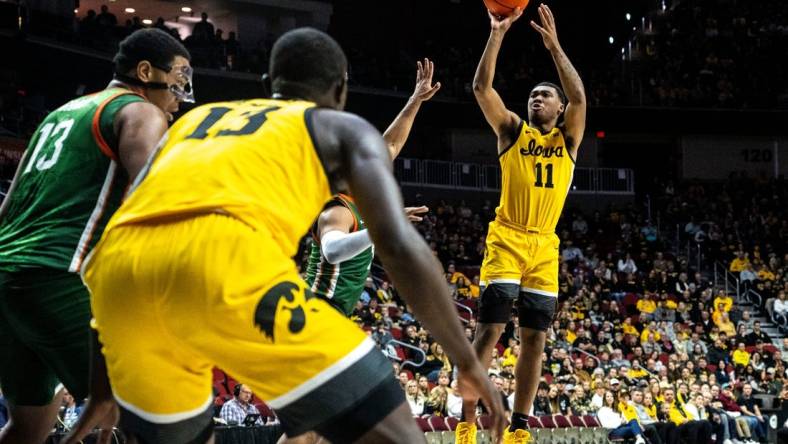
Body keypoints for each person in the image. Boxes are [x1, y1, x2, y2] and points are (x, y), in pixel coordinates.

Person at [69, 28, 504, 444]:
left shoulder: (192, 120)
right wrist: (467, 361)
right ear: (340, 91)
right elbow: (399, 245)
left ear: (266, 84)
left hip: (117, 280)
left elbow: (130, 224)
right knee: (396, 434)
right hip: (223, 265)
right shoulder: (339, 128)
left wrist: (102, 382)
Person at [0, 28, 191, 444]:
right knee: (152, 419)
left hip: (8, 282)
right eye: (178, 80)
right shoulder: (141, 112)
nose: (180, 97)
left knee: (28, 428)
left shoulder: (59, 115)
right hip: (61, 277)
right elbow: (154, 198)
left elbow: (7, 208)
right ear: (145, 71)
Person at [456, 4, 586, 444]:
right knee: (490, 328)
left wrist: (554, 47)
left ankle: (520, 428)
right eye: (532, 94)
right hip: (508, 237)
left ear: (560, 107)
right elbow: (480, 87)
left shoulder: (567, 138)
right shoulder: (513, 130)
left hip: (545, 247)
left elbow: (581, 98)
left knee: (534, 339)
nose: (536, 98)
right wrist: (496, 33)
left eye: (545, 95)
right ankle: (466, 421)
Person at [303, 58, 440, 316]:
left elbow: (391, 145)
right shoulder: (339, 209)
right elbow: (332, 251)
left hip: (334, 311)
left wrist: (416, 100)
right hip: (317, 309)